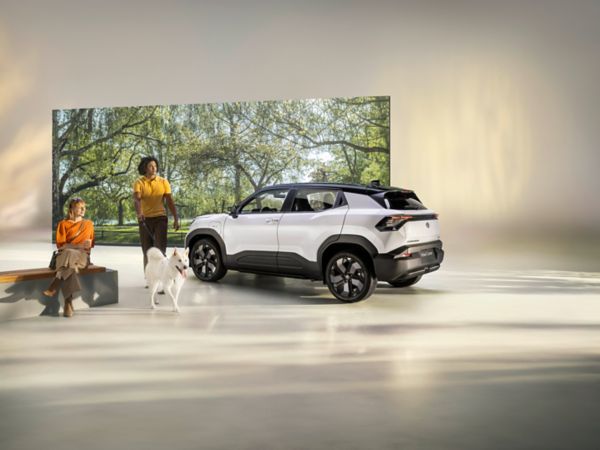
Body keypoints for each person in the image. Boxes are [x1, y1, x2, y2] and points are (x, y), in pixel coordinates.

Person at [43, 197, 95, 318]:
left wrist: (85, 245)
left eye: (84, 207)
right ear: (71, 208)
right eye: (80, 207)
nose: (83, 209)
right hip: (64, 256)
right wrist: (78, 245)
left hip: (82, 257)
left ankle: (61, 292)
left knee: (70, 254)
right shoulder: (63, 224)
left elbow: (90, 245)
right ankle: (68, 302)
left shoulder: (88, 224)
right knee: (70, 261)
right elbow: (61, 246)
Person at [133, 156, 179, 271]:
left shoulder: (163, 182)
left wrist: (176, 218)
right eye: (150, 166)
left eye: (155, 166)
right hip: (145, 219)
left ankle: (162, 277)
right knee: (147, 251)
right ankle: (150, 278)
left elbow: (169, 200)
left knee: (160, 250)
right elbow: (137, 199)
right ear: (145, 168)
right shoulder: (139, 182)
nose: (154, 168)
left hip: (160, 219)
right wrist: (139, 213)